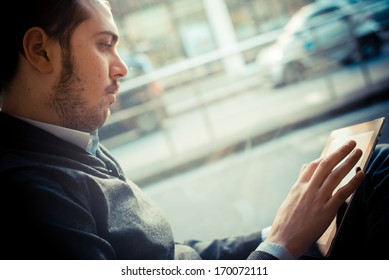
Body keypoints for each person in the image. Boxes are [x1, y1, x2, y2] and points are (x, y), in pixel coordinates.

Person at [0, 0, 387, 260]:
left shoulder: (73, 142)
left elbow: (174, 258)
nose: (122, 68)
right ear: (40, 51)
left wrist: (285, 226)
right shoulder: (31, 197)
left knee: (371, 167)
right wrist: (281, 245)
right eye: (104, 45)